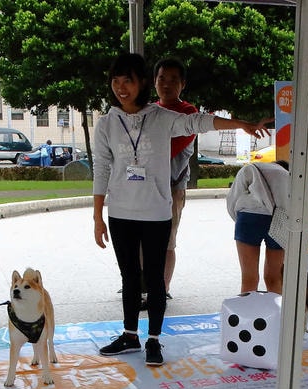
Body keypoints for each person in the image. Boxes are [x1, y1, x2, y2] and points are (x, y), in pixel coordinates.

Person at [93, 52, 266, 367]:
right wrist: (97, 216)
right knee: (130, 278)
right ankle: (130, 335)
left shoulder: (160, 117)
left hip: (156, 213)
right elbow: (102, 168)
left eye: (127, 81)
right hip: (120, 214)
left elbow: (198, 121)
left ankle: (154, 340)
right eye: (115, 81)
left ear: (142, 83)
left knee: (156, 280)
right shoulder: (107, 123)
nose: (121, 87)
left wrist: (241, 124)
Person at [154, 58, 198, 301]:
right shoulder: (148, 110)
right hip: (145, 188)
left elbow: (165, 149)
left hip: (172, 187)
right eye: (162, 78)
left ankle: (163, 289)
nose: (166, 84)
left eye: (173, 80)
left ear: (182, 84)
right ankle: (144, 286)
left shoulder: (188, 113)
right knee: (142, 240)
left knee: (167, 240)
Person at [225, 159, 289, 294]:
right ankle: (276, 313)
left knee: (249, 278)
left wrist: (239, 220)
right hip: (278, 220)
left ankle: (247, 313)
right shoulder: (287, 175)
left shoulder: (250, 169)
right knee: (274, 278)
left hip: (248, 218)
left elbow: (232, 199)